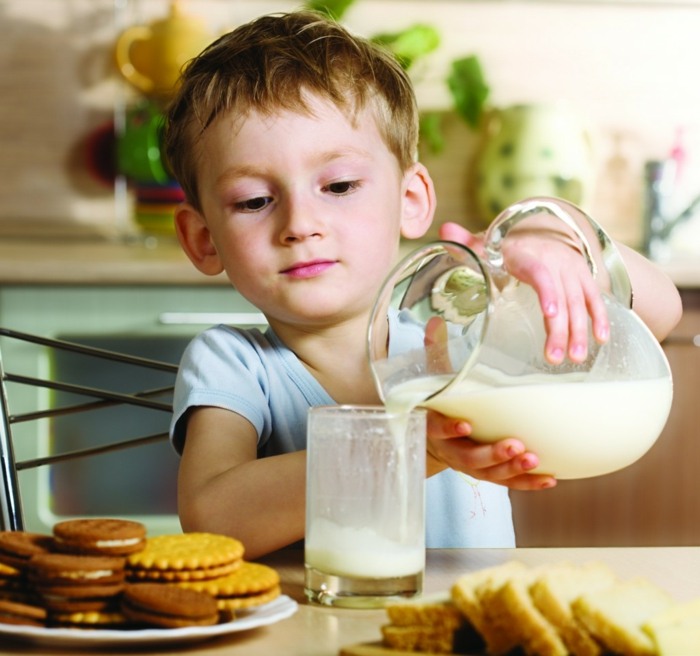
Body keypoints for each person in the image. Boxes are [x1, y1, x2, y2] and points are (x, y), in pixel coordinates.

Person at [163, 10, 682, 559]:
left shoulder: (461, 323)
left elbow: (660, 310)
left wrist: (556, 238)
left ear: (410, 201)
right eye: (254, 201)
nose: (300, 225)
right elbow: (212, 521)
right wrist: (415, 445)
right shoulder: (235, 365)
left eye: (338, 186)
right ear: (203, 239)